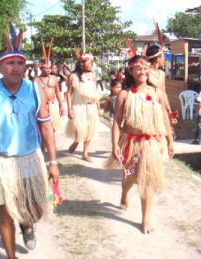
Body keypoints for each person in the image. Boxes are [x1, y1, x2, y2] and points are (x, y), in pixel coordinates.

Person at [0, 28, 59, 259]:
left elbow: (47, 126)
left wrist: (53, 162)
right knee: (5, 213)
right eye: (10, 63)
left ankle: (27, 225)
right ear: (0, 67)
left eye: (20, 63)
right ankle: (11, 256)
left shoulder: (34, 89)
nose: (16, 68)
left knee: (33, 208)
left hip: (29, 159)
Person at [111, 55, 174, 234]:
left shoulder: (157, 93)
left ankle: (145, 219)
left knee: (147, 181)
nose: (142, 71)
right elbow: (117, 121)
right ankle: (124, 193)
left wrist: (170, 140)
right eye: (137, 68)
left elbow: (164, 118)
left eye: (145, 68)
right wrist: (114, 144)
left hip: (151, 143)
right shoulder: (124, 94)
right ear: (130, 71)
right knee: (128, 177)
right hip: (130, 141)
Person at [66, 50, 101, 162]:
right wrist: (69, 109)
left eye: (91, 63)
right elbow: (69, 93)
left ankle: (85, 153)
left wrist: (98, 107)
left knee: (90, 130)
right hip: (78, 106)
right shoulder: (73, 76)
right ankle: (76, 141)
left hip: (91, 106)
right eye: (89, 62)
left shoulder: (92, 75)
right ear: (81, 63)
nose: (91, 65)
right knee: (79, 128)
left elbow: (95, 92)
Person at [146, 45, 178, 128]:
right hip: (148, 109)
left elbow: (164, 93)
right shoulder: (146, 73)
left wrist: (169, 112)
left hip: (161, 109)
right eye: (163, 57)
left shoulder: (162, 74)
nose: (165, 59)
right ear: (157, 59)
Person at [34, 59, 65, 131]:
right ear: (41, 68)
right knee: (43, 128)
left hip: (52, 105)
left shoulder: (54, 78)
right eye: (46, 68)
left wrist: (61, 105)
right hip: (42, 106)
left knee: (53, 127)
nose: (49, 70)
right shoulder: (36, 80)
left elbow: (57, 92)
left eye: (49, 68)